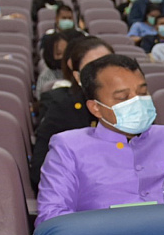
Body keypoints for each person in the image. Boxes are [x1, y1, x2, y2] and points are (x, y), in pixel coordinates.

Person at [36, 54, 164, 223]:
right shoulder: (69, 147)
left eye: (142, 93)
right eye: (123, 97)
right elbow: (51, 218)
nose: (136, 101)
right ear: (96, 108)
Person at [32, 35, 110, 186]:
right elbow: (40, 170)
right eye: (93, 69)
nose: (103, 75)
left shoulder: (132, 107)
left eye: (109, 67)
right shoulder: (62, 108)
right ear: (78, 76)